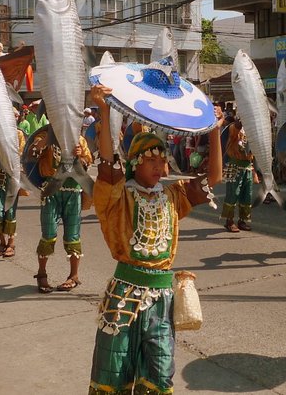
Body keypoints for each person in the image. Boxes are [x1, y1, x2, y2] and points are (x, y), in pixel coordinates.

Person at [88, 84, 224, 394]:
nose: (160, 166)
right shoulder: (117, 196)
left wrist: (215, 131)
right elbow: (108, 162)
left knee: (159, 377)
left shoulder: (173, 195)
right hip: (122, 299)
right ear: (135, 163)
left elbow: (213, 177)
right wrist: (105, 111)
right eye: (151, 160)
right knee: (112, 375)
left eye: (162, 160)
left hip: (162, 301)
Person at [27, 124, 93, 293]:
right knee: (48, 234)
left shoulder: (79, 140)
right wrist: (45, 142)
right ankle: (42, 274)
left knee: (73, 235)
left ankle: (74, 276)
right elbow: (31, 154)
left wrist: (80, 157)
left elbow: (88, 162)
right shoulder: (43, 135)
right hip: (51, 191)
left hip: (73, 192)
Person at [0, 128, 26, 258]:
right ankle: (2, 243)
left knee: (10, 212)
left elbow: (20, 153)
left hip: (11, 178)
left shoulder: (18, 134)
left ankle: (11, 244)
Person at [220, 119, 258, 232]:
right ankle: (229, 221)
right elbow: (237, 127)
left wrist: (255, 171)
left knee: (247, 195)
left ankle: (242, 221)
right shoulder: (234, 127)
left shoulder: (252, 130)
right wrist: (244, 114)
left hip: (247, 167)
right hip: (235, 166)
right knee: (233, 194)